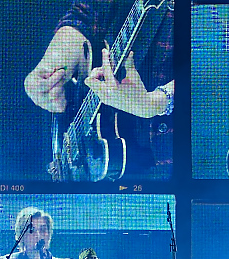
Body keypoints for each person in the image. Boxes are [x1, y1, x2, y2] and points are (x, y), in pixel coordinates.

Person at [23, 0, 175, 179]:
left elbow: (205, 67)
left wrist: (160, 100)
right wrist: (52, 66)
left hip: (181, 159)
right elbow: (86, 15)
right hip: (116, 163)